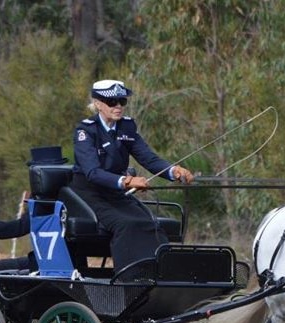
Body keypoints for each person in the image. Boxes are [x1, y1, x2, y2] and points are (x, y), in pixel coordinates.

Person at [71, 79, 194, 272]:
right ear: (97, 103)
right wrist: (126, 181)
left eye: (122, 101)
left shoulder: (127, 127)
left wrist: (173, 171)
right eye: (112, 102)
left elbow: (148, 158)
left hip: (117, 194)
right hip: (90, 194)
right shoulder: (86, 131)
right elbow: (92, 172)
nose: (118, 106)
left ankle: (163, 273)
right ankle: (128, 277)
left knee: (150, 223)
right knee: (126, 224)